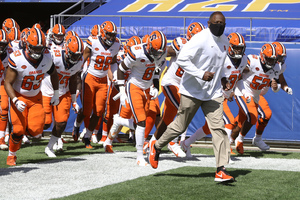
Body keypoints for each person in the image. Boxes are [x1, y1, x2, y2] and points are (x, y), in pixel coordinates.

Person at [148, 11, 235, 183]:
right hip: (192, 91)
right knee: (179, 126)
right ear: (209, 23)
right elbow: (182, 60)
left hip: (213, 93)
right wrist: (201, 74)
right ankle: (156, 146)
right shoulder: (200, 38)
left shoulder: (225, 41)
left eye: (222, 23)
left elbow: (221, 63)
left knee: (219, 129)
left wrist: (223, 77)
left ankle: (221, 170)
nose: (220, 26)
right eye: (217, 22)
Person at [104, 30, 167, 166]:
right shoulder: (137, 52)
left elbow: (156, 73)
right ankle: (139, 157)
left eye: (159, 53)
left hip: (147, 88)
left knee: (138, 122)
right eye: (155, 51)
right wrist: (121, 90)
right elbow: (120, 69)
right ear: (149, 45)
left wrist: (156, 86)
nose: (157, 55)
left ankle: (114, 129)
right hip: (134, 87)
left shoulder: (161, 53)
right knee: (141, 122)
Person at [181, 32, 247, 156]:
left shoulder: (243, 60)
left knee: (208, 128)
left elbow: (239, 78)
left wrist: (237, 91)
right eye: (236, 47)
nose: (238, 51)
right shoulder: (222, 57)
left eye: (240, 48)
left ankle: (185, 143)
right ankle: (225, 153)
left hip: (225, 95)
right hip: (215, 94)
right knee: (229, 122)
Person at [4, 27, 59, 165]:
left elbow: (54, 74)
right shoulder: (17, 58)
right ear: (27, 45)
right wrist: (15, 100)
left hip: (36, 98)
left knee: (36, 132)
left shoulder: (46, 56)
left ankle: (26, 130)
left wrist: (56, 93)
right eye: (34, 48)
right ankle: (12, 154)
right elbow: (7, 82)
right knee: (17, 130)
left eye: (40, 48)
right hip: (19, 96)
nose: (37, 51)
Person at [149, 22, 205, 158]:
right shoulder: (182, 44)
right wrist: (155, 68)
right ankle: (173, 142)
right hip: (171, 82)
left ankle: (152, 142)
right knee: (184, 108)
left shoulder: (203, 51)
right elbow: (162, 53)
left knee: (167, 120)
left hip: (183, 87)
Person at [72, 21, 120, 148]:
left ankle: (87, 136)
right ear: (103, 33)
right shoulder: (93, 41)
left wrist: (114, 76)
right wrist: (76, 73)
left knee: (99, 111)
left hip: (103, 79)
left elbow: (113, 62)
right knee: (87, 110)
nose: (111, 37)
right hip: (90, 78)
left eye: (113, 35)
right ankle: (76, 126)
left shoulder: (116, 45)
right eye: (109, 34)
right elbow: (83, 59)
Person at [231, 43, 282, 154]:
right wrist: (234, 90)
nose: (271, 63)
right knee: (252, 116)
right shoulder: (252, 61)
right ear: (262, 56)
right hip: (242, 92)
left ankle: (229, 141)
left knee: (240, 121)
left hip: (256, 96)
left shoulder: (276, 66)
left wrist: (276, 87)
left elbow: (277, 85)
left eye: (273, 60)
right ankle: (239, 140)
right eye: (269, 59)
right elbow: (237, 74)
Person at [44, 35, 84, 157]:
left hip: (63, 91)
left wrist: (74, 101)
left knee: (61, 122)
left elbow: (73, 80)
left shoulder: (79, 61)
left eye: (78, 55)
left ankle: (49, 147)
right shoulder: (53, 55)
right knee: (45, 123)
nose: (76, 58)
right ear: (66, 50)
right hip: (46, 90)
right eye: (74, 54)